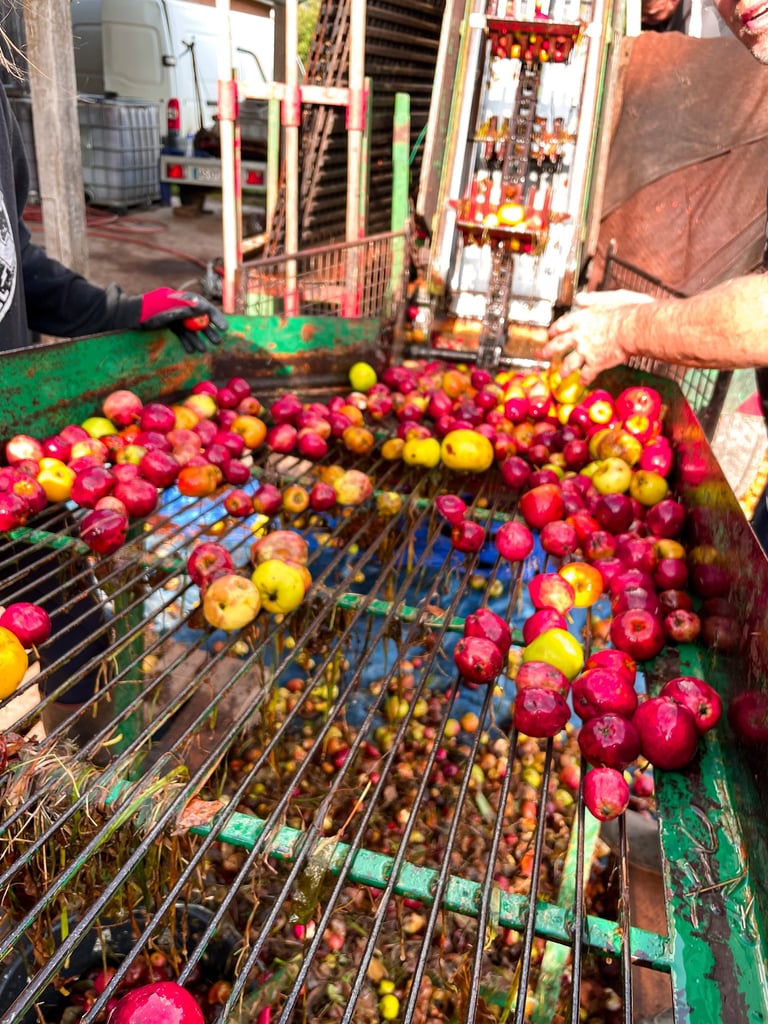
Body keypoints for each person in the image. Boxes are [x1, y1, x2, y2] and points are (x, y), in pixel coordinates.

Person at [0, 64, 228, 746]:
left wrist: (120, 311)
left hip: (16, 464)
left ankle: (75, 781)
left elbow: (15, 262)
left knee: (75, 628)